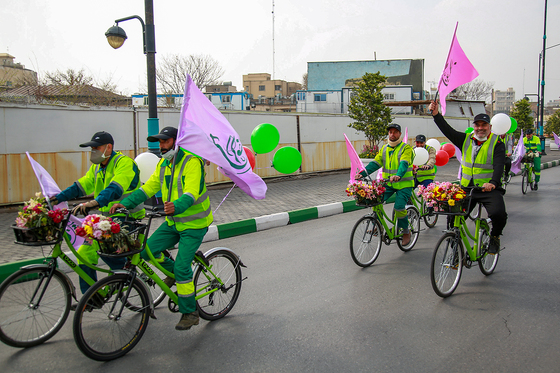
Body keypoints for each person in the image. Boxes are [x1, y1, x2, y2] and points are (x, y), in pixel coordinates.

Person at [110, 126, 213, 331]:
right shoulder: (164, 163)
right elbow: (149, 187)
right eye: (159, 142)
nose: (161, 146)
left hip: (194, 224)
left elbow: (192, 192)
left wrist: (177, 206)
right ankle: (175, 274)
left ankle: (190, 312)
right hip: (173, 222)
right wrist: (126, 203)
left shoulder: (192, 162)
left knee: (183, 266)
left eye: (165, 141)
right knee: (148, 250)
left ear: (176, 141)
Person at [50, 131, 145, 295]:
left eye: (96, 148)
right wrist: (57, 198)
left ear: (109, 147)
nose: (93, 151)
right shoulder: (97, 167)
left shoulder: (124, 163)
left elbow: (116, 188)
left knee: (106, 247)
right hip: (105, 220)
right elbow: (80, 186)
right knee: (84, 252)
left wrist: (95, 202)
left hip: (127, 215)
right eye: (92, 148)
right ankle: (92, 296)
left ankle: (124, 272)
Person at [429, 100, 507, 254]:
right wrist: (436, 114)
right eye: (477, 125)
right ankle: (455, 249)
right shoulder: (465, 139)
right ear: (474, 126)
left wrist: (493, 182)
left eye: (484, 125)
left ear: (489, 127)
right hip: (466, 188)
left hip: (488, 189)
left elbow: (499, 165)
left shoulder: (497, 143)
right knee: (452, 217)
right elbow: (447, 130)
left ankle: (495, 237)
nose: (480, 128)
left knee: (499, 214)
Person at [357, 123, 414, 245]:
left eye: (395, 132)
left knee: (399, 207)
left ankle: (405, 231)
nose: (392, 134)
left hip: (404, 184)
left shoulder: (406, 148)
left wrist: (398, 175)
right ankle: (378, 225)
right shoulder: (384, 149)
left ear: (399, 134)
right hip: (389, 183)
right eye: (390, 132)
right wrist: (362, 174)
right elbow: (375, 163)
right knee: (375, 200)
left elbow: (404, 164)